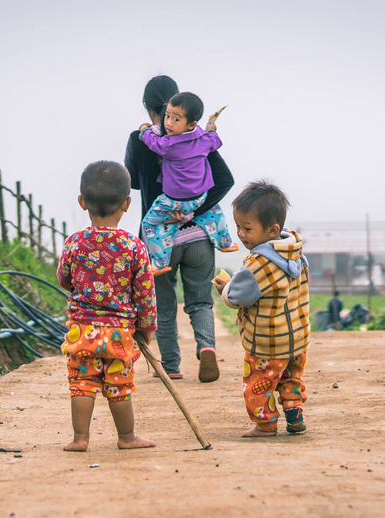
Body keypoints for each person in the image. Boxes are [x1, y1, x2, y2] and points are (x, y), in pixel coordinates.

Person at [125, 75, 234, 382]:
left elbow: (132, 182)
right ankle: (206, 346)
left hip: (160, 239)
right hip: (198, 233)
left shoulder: (141, 138)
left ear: (148, 108)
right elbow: (225, 180)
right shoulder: (197, 137)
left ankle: (171, 366)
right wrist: (192, 211)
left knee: (164, 305)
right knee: (200, 300)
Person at [57, 160, 157, 452]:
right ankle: (126, 438)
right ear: (127, 203)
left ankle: (79, 438)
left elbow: (64, 278)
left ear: (82, 202)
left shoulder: (74, 243)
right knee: (119, 386)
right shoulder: (134, 246)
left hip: (82, 330)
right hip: (119, 334)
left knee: (82, 383)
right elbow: (145, 293)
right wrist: (146, 327)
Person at [213, 180, 311, 437]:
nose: (241, 234)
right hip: (297, 339)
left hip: (267, 342)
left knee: (259, 383)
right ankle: (294, 412)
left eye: (247, 228)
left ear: (272, 229)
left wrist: (225, 289)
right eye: (238, 227)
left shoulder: (258, 262)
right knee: (291, 377)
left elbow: (237, 297)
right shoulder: (296, 254)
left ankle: (265, 424)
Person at [137, 91, 236, 273]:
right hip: (200, 197)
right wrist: (211, 126)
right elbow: (215, 139)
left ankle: (159, 262)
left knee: (149, 224)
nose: (168, 123)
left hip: (173, 202)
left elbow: (153, 143)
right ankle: (225, 242)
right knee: (214, 210)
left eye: (176, 119)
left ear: (191, 124)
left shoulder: (169, 144)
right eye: (167, 116)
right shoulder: (204, 139)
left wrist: (143, 131)